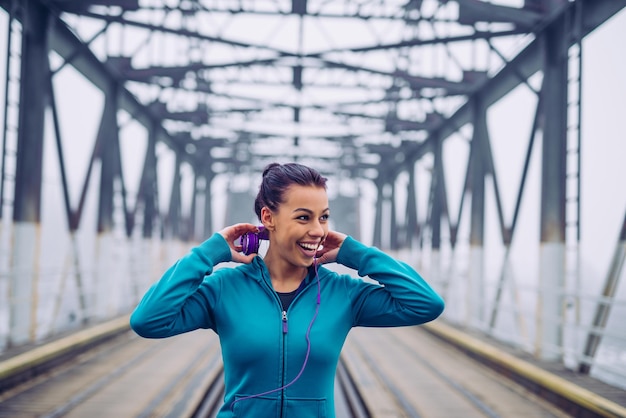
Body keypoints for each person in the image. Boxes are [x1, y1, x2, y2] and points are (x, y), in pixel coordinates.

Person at [130, 162, 444, 418]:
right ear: (268, 218)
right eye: (303, 217)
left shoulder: (343, 294)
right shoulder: (224, 288)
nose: (318, 230)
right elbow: (148, 320)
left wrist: (355, 253)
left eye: (323, 218)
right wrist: (209, 253)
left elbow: (425, 304)